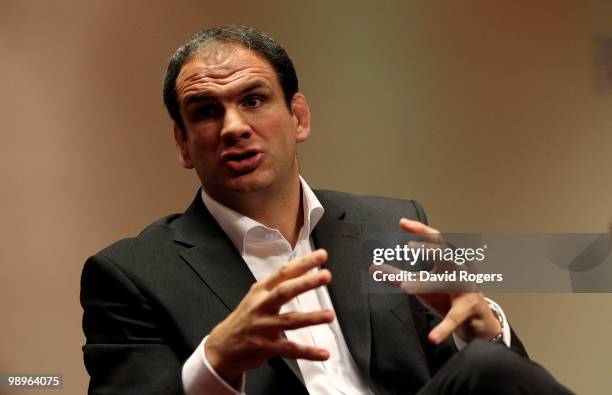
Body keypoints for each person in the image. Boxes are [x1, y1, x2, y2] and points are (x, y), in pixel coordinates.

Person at [80, 25, 573, 395]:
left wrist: (483, 329)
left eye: (253, 100)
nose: (232, 127)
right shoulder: (132, 274)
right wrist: (215, 360)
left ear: (298, 117)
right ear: (183, 145)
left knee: (486, 364)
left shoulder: (388, 227)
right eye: (206, 112)